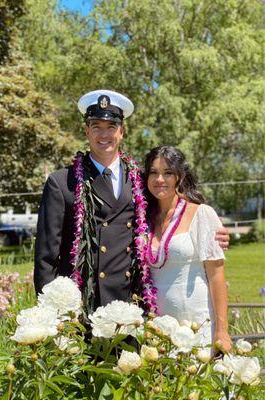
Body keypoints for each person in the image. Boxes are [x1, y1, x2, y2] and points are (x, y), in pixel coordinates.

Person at [34, 89, 230, 316]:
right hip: (82, 309)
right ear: (86, 131)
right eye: (96, 126)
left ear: (122, 131)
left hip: (130, 307)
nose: (103, 134)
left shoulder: (139, 180)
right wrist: (51, 315)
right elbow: (45, 260)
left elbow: (171, 204)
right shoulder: (61, 182)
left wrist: (211, 229)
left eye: (111, 127)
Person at [144, 146, 232, 353]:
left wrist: (222, 331)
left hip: (197, 325)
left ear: (179, 176)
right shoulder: (143, 218)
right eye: (153, 172)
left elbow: (217, 275)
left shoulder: (200, 214)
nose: (159, 179)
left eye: (167, 173)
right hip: (158, 330)